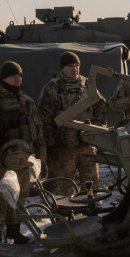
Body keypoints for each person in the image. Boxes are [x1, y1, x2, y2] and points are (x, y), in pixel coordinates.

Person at [0, 61, 47, 244]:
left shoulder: (26, 102)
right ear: (3, 78)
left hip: (23, 160)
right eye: (13, 76)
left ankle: (14, 232)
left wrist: (40, 160)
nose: (17, 79)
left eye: (19, 76)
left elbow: (38, 133)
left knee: (20, 198)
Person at [38, 51, 106, 195]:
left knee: (91, 185)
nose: (75, 69)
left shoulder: (88, 84)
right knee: (63, 187)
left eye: (77, 66)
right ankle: (67, 214)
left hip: (87, 146)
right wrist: (48, 146)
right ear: (62, 68)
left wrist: (96, 133)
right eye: (70, 66)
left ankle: (91, 211)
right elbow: (44, 119)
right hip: (62, 148)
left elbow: (100, 107)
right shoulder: (51, 89)